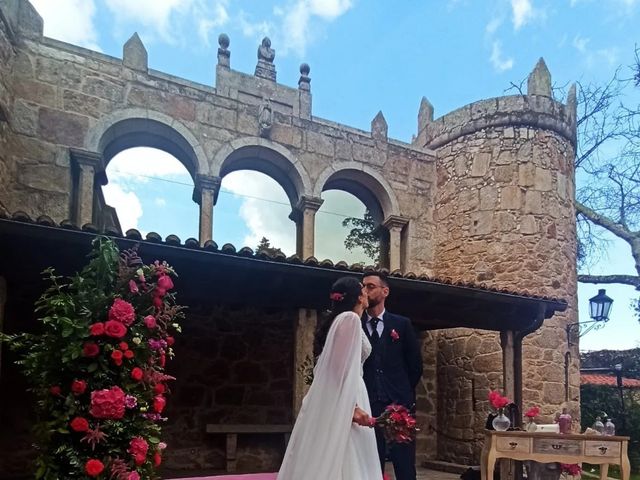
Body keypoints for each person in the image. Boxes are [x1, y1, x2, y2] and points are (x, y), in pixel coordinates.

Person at [277, 277, 382, 480]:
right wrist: (351, 407)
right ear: (359, 297)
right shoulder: (349, 320)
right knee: (345, 452)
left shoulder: (345, 321)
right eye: (363, 289)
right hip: (348, 394)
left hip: (348, 391)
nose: (367, 293)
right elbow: (337, 368)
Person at [362, 272, 423, 480]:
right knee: (371, 462)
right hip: (368, 406)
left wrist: (402, 393)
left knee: (404, 464)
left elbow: (415, 365)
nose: (366, 291)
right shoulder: (356, 324)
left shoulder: (402, 324)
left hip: (399, 407)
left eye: (370, 286)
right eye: (364, 287)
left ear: (384, 291)